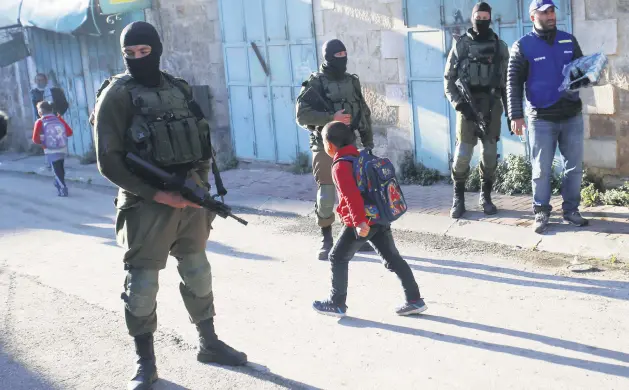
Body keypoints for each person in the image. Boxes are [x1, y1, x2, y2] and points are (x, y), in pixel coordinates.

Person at [91, 21, 246, 390]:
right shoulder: (116, 95)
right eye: (130, 54)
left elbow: (203, 143)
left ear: (157, 50)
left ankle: (209, 343)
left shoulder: (179, 89)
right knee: (142, 285)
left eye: (144, 52)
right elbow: (108, 161)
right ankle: (145, 363)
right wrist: (161, 195)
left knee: (198, 272)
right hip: (146, 205)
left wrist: (198, 190)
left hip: (190, 201)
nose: (138, 59)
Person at [312, 121, 427, 317]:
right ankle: (414, 300)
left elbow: (351, 197)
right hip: (379, 217)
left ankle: (336, 303)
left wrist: (359, 223)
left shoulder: (340, 165)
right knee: (393, 259)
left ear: (330, 146)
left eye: (323, 142)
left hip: (362, 220)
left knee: (337, 257)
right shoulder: (359, 157)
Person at [507, 0, 588, 234]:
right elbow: (512, 83)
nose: (550, 16)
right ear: (533, 17)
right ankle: (541, 211)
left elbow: (580, 71)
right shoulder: (522, 46)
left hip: (571, 115)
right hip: (541, 118)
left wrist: (588, 74)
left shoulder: (568, 40)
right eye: (544, 13)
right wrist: (516, 115)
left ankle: (571, 210)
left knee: (573, 167)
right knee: (541, 169)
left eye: (552, 11)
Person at [296, 39, 375, 260]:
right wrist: (332, 118)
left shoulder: (352, 82)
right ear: (328, 57)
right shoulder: (315, 83)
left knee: (354, 192)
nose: (342, 59)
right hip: (325, 146)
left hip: (350, 145)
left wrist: (368, 142)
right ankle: (326, 238)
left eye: (344, 54)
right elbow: (301, 116)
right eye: (337, 55)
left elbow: (363, 111)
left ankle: (354, 237)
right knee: (327, 195)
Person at [444, 2, 509, 219]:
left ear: (490, 19)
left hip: (492, 105)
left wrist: (511, 112)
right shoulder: (461, 46)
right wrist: (460, 105)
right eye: (477, 17)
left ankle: (486, 196)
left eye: (485, 17)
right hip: (466, 106)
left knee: (490, 155)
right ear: (472, 18)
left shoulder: (500, 47)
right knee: (462, 154)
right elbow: (449, 80)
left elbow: (508, 82)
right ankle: (458, 198)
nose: (481, 21)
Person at [32, 101, 73, 197]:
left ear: (40, 112)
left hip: (49, 149)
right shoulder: (59, 119)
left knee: (56, 169)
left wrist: (43, 142)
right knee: (60, 167)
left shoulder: (40, 122)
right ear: (51, 109)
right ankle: (59, 183)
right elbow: (69, 132)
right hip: (62, 147)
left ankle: (62, 188)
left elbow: (35, 139)